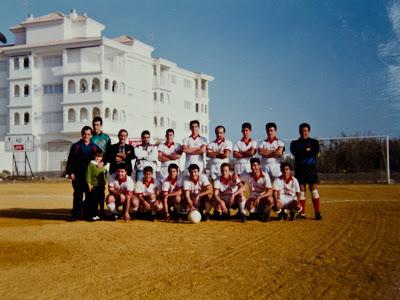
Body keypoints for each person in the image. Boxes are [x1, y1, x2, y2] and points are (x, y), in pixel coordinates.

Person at [66, 126, 100, 220]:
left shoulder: (94, 147)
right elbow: (70, 161)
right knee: (77, 195)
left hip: (89, 176)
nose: (86, 136)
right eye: (84, 134)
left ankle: (88, 215)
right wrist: (70, 172)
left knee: (89, 195)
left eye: (88, 134)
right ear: (82, 134)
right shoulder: (76, 146)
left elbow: (100, 159)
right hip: (78, 175)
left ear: (91, 135)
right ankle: (76, 214)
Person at [290, 123, 322, 220]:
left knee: (314, 190)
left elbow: (315, 151)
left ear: (309, 131)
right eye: (302, 131)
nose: (304, 133)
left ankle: (317, 212)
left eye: (306, 131)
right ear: (299, 131)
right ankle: (302, 213)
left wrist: (304, 151)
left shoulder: (314, 142)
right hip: (300, 169)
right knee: (301, 191)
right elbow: (295, 152)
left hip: (311, 169)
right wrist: (307, 150)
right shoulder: (294, 143)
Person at [240, 158, 274, 222]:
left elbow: (270, 191)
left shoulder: (265, 176)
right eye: (252, 165)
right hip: (253, 199)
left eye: (255, 165)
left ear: (259, 166)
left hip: (263, 199)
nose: (253, 167)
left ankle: (265, 214)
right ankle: (255, 213)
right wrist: (241, 186)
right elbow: (237, 178)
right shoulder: (248, 175)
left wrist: (260, 196)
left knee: (270, 200)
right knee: (249, 205)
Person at [85, 151, 107, 221]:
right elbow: (88, 174)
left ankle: (101, 213)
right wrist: (89, 184)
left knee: (101, 200)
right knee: (94, 201)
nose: (98, 158)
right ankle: (93, 214)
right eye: (97, 156)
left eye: (100, 156)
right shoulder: (91, 164)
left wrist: (104, 183)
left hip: (101, 186)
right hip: (93, 186)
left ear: (102, 158)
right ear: (94, 156)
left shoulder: (103, 166)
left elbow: (105, 175)